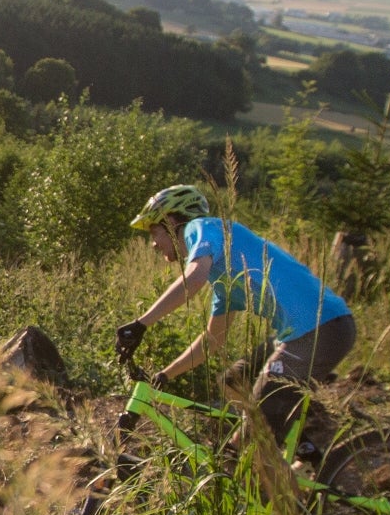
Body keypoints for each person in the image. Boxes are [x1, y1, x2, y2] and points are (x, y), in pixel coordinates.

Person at [115, 183, 354, 457]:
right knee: (233, 381)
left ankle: (285, 489)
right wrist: (165, 375)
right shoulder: (225, 279)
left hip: (321, 329)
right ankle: (296, 440)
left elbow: (193, 279)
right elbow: (212, 341)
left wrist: (141, 324)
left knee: (249, 442)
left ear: (171, 222)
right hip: (306, 332)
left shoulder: (202, 228)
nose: (154, 243)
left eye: (154, 232)